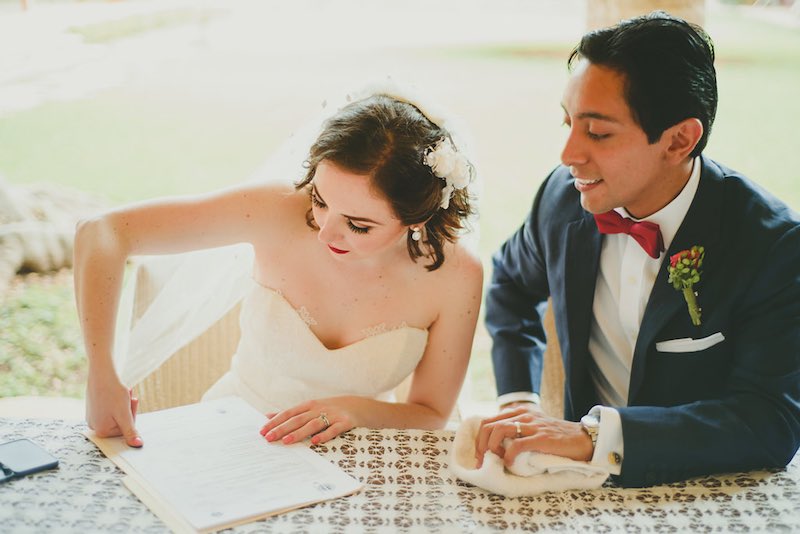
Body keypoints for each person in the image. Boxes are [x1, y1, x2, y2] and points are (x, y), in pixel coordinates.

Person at [476, 11, 800, 488]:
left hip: (699, 493)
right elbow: (509, 283)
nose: (568, 154)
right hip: (572, 491)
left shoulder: (773, 245)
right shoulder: (562, 198)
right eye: (567, 122)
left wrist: (594, 437)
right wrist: (518, 402)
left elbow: (769, 421)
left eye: (598, 132)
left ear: (679, 140)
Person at [74, 89, 483, 448]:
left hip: (362, 456)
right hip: (233, 437)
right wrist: (101, 372)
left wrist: (354, 411)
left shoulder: (455, 274)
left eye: (358, 225)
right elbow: (102, 232)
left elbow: (430, 413)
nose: (326, 232)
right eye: (321, 200)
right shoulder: (275, 210)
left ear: (416, 218)